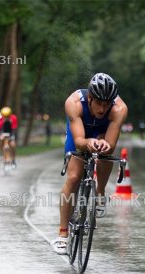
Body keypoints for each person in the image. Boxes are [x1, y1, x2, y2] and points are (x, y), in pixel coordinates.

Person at [52, 72, 128, 255]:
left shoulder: (119, 109)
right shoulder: (74, 103)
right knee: (73, 177)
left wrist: (103, 144)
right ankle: (63, 234)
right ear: (90, 97)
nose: (102, 109)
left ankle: (100, 192)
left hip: (102, 131)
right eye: (99, 103)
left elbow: (110, 144)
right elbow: (79, 140)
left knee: (104, 153)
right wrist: (87, 143)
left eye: (106, 104)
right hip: (80, 130)